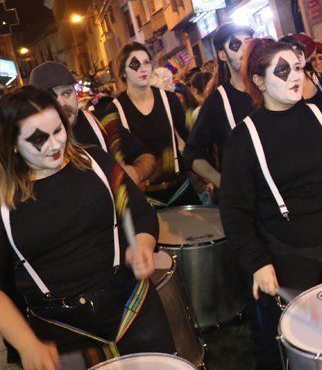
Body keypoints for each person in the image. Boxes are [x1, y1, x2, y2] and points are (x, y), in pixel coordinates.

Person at [220, 38, 322, 370]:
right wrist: (257, 262)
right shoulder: (244, 137)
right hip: (286, 253)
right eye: (282, 70)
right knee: (296, 350)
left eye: (297, 67)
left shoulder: (321, 115)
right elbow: (234, 211)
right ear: (259, 81)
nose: (294, 76)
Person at [0, 87, 174, 369]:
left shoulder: (98, 164)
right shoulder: (3, 201)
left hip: (131, 307)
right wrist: (26, 343)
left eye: (58, 130)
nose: (55, 144)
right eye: (38, 139)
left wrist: (142, 245)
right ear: (11, 144)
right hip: (61, 331)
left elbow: (140, 214)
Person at [29, 61, 155, 186]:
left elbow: (146, 156)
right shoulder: (31, 147)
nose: (62, 103)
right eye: (51, 98)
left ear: (75, 93)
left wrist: (136, 172)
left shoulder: (102, 124)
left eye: (67, 93)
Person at [108, 43, 199, 207]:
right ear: (123, 72)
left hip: (180, 190)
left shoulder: (169, 100)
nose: (143, 69)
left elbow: (191, 141)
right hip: (144, 200)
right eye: (135, 64)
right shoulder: (115, 110)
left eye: (147, 62)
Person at [184, 24, 255, 195]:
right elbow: (192, 153)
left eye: (249, 42)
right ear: (223, 55)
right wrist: (222, 181)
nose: (246, 49)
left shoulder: (272, 87)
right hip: (248, 201)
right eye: (236, 45)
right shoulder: (217, 103)